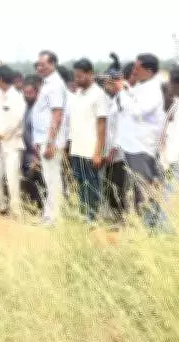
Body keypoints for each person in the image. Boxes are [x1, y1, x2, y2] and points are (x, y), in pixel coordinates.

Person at [112, 53, 165, 218]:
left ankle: (148, 223)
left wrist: (122, 91)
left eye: (137, 68)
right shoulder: (142, 86)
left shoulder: (153, 90)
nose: (134, 71)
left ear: (149, 71)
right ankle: (139, 223)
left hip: (142, 147)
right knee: (135, 188)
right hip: (132, 145)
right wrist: (125, 89)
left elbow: (137, 111)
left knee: (143, 189)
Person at [68, 58, 108, 222]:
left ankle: (92, 217)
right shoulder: (78, 94)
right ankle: (83, 214)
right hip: (77, 148)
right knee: (80, 183)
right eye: (75, 76)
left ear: (90, 74)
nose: (77, 80)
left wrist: (98, 152)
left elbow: (102, 126)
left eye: (80, 76)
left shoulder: (98, 95)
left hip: (90, 150)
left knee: (91, 184)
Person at [33, 50, 68, 225]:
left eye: (43, 65)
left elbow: (57, 114)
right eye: (38, 65)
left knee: (53, 179)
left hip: (51, 140)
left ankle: (55, 216)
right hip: (44, 138)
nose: (39, 68)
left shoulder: (55, 84)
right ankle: (49, 214)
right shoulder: (47, 83)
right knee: (49, 178)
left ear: (53, 64)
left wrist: (50, 142)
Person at [0, 65, 26, 217]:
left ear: (0, 79)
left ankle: (16, 211)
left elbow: (15, 121)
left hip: (12, 144)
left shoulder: (16, 97)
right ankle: (2, 207)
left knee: (12, 178)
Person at [102, 68, 127, 223]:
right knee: (109, 186)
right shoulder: (113, 99)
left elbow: (121, 128)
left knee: (117, 186)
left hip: (118, 154)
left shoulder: (121, 100)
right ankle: (115, 217)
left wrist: (113, 150)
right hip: (110, 152)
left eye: (108, 83)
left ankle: (121, 219)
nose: (105, 86)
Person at [21, 75, 44, 209]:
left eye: (30, 93)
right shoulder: (25, 107)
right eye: (25, 93)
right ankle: (33, 209)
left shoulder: (39, 110)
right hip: (26, 154)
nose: (27, 95)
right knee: (30, 185)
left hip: (36, 155)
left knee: (40, 184)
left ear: (37, 92)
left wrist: (37, 155)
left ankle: (41, 209)